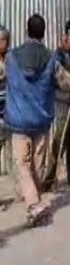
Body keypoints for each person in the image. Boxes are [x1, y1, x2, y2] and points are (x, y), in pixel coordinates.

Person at [4, 14, 70, 226]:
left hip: (18, 122)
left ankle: (34, 204)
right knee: (36, 165)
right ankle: (35, 203)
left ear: (27, 31)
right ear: (43, 33)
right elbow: (66, 83)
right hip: (41, 122)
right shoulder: (51, 60)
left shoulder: (11, 58)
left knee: (23, 165)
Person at [44, 19, 70, 190]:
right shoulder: (59, 55)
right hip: (62, 102)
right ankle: (50, 180)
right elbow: (57, 77)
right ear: (65, 36)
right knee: (59, 141)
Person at [0, 25, 12, 179]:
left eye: (5, 39)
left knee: (13, 155)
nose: (3, 43)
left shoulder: (12, 58)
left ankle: (20, 192)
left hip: (10, 113)